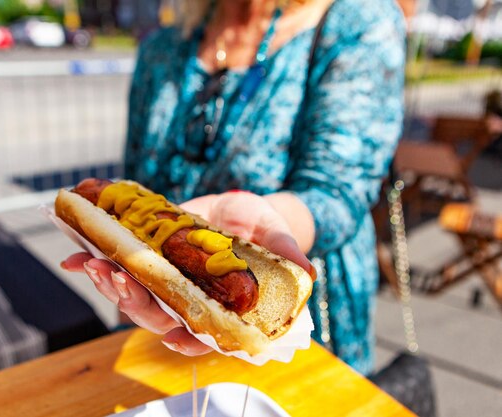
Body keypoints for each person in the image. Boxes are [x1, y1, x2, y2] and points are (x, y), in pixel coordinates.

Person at [62, 0, 405, 376]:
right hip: (164, 325)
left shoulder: (357, 20)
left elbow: (338, 191)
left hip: (303, 331)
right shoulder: (161, 48)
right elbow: (135, 185)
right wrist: (131, 298)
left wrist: (265, 224)